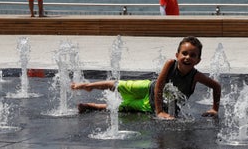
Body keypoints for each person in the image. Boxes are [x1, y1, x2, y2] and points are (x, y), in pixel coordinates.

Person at [70, 36, 220, 120]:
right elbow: (160, 85)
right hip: (148, 87)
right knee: (119, 84)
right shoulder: (170, 64)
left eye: (193, 55)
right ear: (177, 55)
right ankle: (89, 86)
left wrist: (214, 108)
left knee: (124, 106)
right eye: (184, 53)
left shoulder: (196, 76)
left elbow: (216, 86)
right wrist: (160, 112)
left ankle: (91, 106)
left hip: (153, 105)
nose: (188, 57)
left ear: (198, 60)